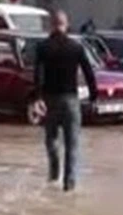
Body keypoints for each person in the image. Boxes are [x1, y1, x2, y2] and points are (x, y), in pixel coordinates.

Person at [32, 10, 98, 193]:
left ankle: (53, 176)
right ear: (66, 24)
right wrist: (94, 96)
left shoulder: (42, 47)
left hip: (49, 100)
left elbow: (37, 75)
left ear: (51, 25)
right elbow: (89, 73)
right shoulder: (76, 47)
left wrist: (37, 98)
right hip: (71, 101)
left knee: (51, 141)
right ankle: (69, 185)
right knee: (72, 144)